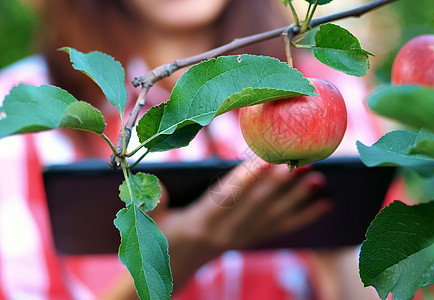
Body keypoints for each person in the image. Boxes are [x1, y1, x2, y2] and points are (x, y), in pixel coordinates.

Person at [0, 0, 386, 299]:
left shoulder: (330, 94)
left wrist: (331, 232)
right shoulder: (27, 108)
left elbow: (386, 281)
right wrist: (174, 258)